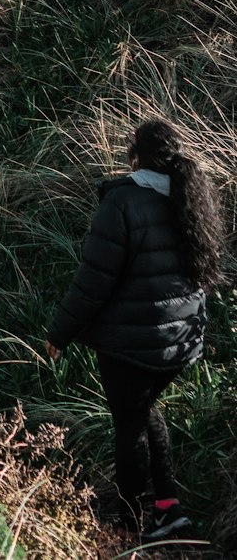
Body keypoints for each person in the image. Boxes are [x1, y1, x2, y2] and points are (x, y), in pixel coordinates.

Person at [45, 119, 223, 542]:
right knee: (143, 412)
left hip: (132, 342)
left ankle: (125, 527)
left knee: (129, 428)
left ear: (135, 153)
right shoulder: (190, 197)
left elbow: (94, 280)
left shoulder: (122, 201)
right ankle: (168, 510)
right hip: (179, 342)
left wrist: (60, 332)